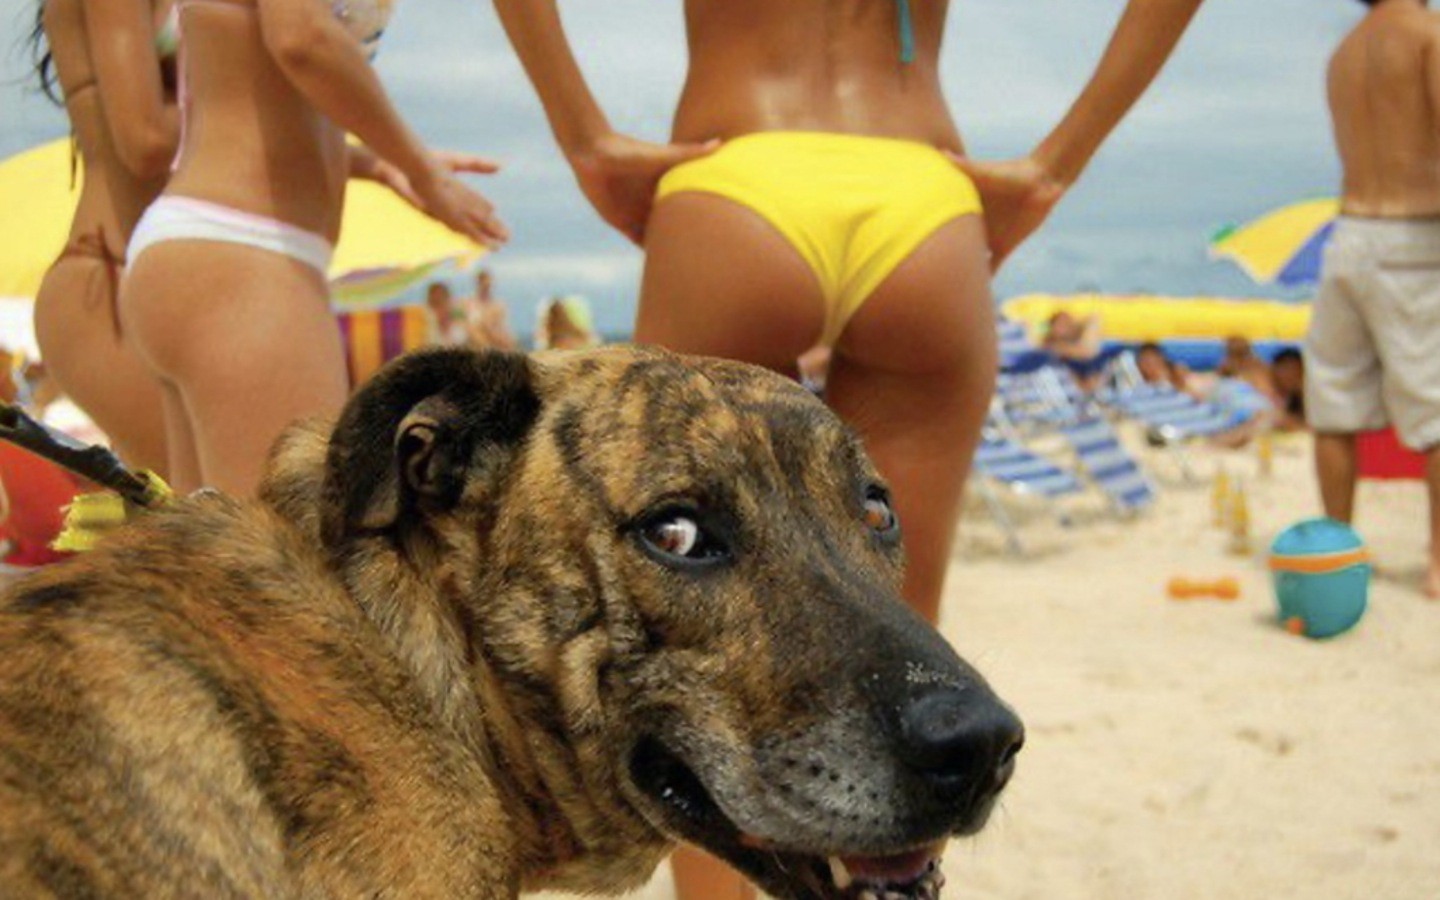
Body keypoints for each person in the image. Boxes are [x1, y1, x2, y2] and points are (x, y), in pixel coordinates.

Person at [493, 1, 1206, 895]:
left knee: (710, 694)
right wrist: (1053, 166)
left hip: (735, 177)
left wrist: (584, 136)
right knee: (903, 644)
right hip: (921, 191)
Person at [118, 0, 509, 496]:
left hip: (207, 243)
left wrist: (380, 165)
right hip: (247, 252)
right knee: (292, 534)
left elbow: (253, 87)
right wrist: (420, 168)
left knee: (213, 538)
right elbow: (301, 37)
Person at [1309, 0, 1440, 597]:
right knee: (1436, 413)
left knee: (1334, 408)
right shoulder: (1427, 34)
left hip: (1348, 234)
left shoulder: (1344, 53)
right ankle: (1438, 561)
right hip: (1415, 232)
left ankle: (1336, 551)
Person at [28, 0, 177, 476]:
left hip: (134, 274)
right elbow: (146, 144)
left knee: (205, 503)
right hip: (114, 277)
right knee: (224, 503)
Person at [462, 268, 519, 351]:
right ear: (477, 284)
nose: (486, 288)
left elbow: (503, 329)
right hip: (475, 347)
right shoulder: (467, 304)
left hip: (494, 347)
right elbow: (462, 325)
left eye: (488, 285)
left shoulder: (498, 306)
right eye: (484, 285)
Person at [1270, 347, 1306, 431]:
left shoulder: (1314, 395)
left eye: (1291, 368)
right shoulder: (1289, 399)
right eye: (1282, 370)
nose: (1286, 375)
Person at [425, 281, 467, 346]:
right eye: (433, 304)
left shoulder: (461, 329)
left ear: (448, 302)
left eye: (439, 302)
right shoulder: (429, 331)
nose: (437, 309)